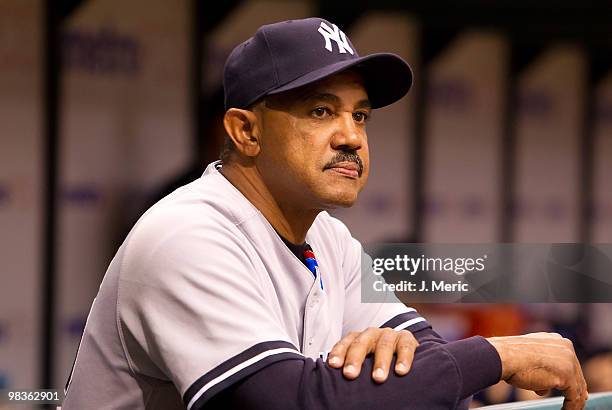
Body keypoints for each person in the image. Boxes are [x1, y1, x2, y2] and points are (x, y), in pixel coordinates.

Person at [62, 18, 588, 410]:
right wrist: (494, 355)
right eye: (320, 111)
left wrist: (407, 359)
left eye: (360, 115)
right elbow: (295, 404)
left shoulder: (327, 236)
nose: (352, 136)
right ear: (246, 131)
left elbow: (428, 363)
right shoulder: (188, 233)